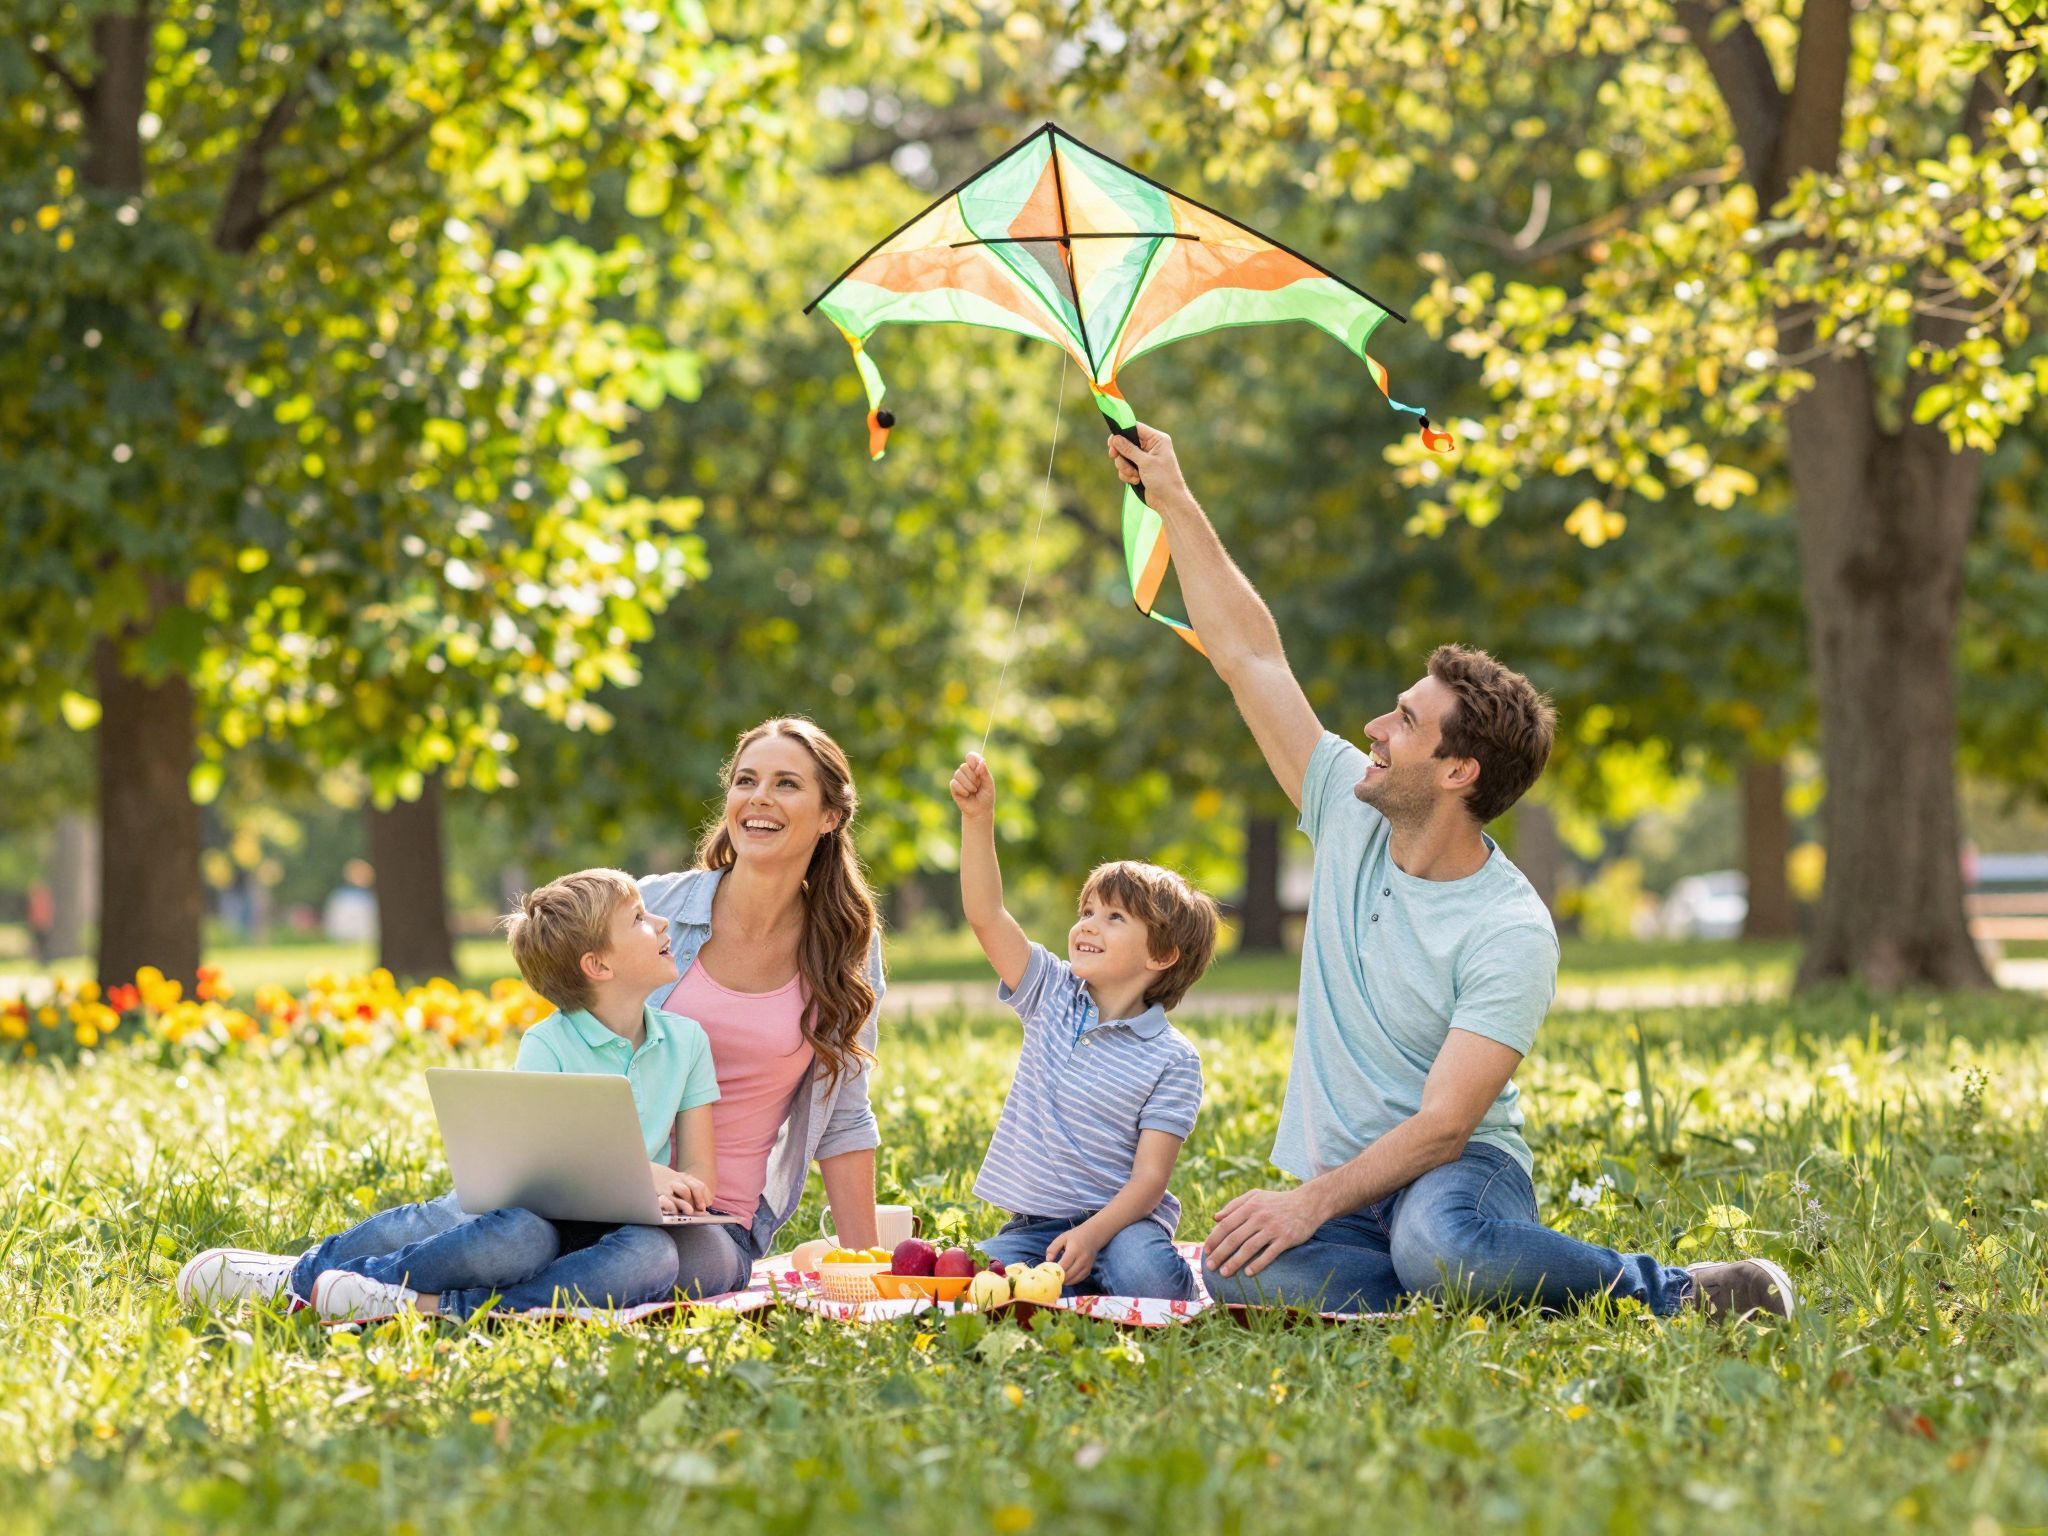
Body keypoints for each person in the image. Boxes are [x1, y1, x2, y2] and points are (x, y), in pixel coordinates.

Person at [1104, 422, 1795, 1322]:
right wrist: (1176, 500)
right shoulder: (1345, 809)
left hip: (1459, 1178)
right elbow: (1250, 658)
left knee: (1439, 1242)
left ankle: (1674, 1290)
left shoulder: (1509, 927)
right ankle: (1463, 1293)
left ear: (1458, 772)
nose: (1374, 729)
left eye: (1403, 720)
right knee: (1240, 1269)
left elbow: (1445, 1127)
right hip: (1352, 1198)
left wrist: (1306, 1204)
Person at [178, 869, 717, 1319]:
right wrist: (641, 1173)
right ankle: (308, 1277)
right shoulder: (546, 1043)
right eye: (641, 919)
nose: (663, 922)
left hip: (623, 1228)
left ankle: (429, 1307)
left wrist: (676, 1189)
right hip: (534, 1216)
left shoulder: (686, 1042)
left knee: (654, 1259)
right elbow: (534, 1171)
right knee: (510, 1238)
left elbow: (701, 1177)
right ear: (599, 966)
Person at [948, 750, 1216, 1300]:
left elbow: (1149, 1182)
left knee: (1148, 1277)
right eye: (1088, 911)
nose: (1088, 926)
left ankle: (1099, 1282)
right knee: (972, 1286)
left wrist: (1092, 1236)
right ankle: (1071, 1288)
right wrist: (977, 821)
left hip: (1120, 1227)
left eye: (1114, 918)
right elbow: (986, 914)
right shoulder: (1052, 993)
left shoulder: (1173, 1059)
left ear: (1162, 954)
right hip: (1034, 1228)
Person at [636, 717, 887, 1298]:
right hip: (603, 1188)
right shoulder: (651, 907)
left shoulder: (846, 946)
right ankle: (384, 1284)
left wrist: (870, 1274)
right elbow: (572, 1052)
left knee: (650, 1261)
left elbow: (844, 1114)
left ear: (831, 816)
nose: (759, 799)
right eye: (746, 780)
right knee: (503, 1233)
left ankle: (441, 1297)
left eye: (787, 784)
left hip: (714, 1223)